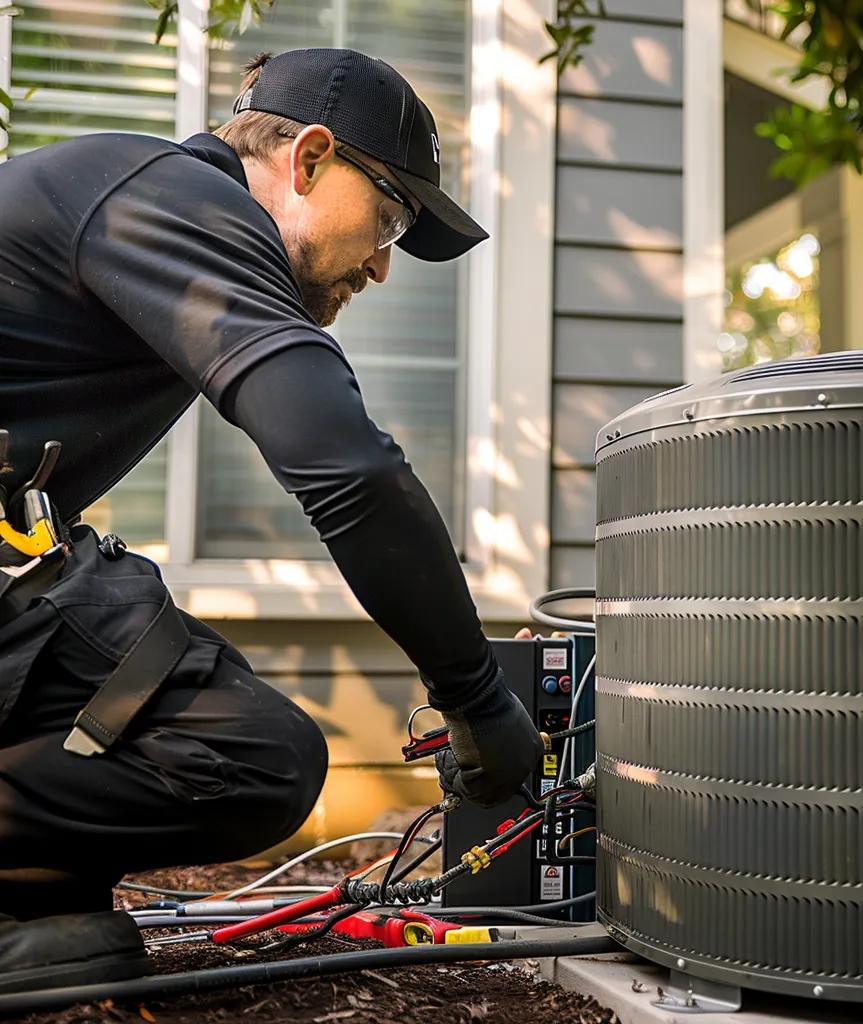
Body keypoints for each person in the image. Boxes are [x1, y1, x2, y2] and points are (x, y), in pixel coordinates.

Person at [0, 47, 543, 988]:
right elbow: (348, 469)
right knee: (247, 754)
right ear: (310, 158)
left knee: (108, 641)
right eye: (390, 219)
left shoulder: (137, 201)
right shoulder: (176, 202)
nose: (380, 265)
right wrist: (478, 696)